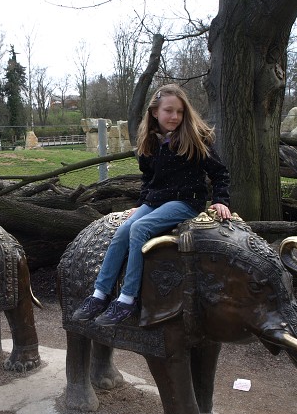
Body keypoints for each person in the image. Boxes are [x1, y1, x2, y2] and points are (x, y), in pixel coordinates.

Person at [72, 84, 231, 326]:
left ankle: (127, 299)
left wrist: (220, 200)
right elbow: (148, 181)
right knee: (123, 229)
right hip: (155, 202)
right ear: (155, 112)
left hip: (185, 202)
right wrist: (140, 204)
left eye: (179, 111)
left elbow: (220, 173)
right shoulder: (150, 142)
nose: (175, 117)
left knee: (140, 228)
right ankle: (99, 294)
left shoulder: (196, 138)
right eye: (169, 111)